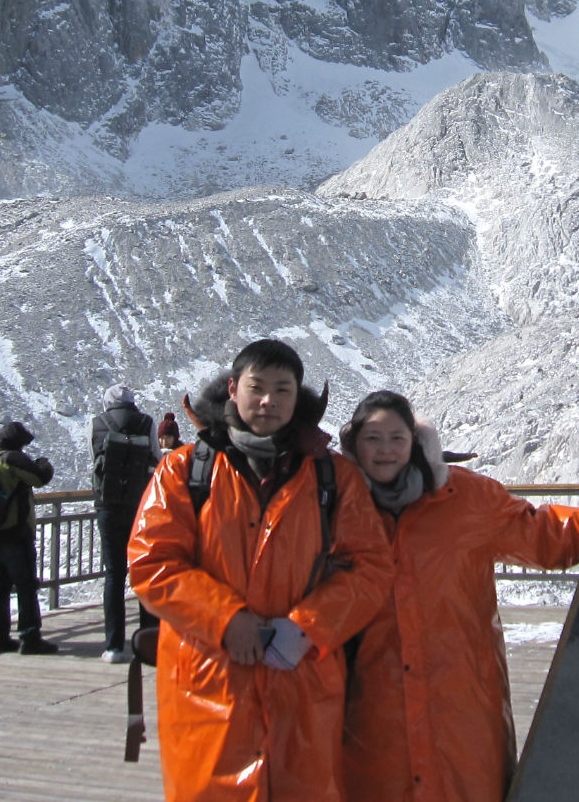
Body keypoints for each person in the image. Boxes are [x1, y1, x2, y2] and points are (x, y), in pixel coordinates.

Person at [339, 389, 579, 802]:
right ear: (353, 443)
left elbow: (545, 533)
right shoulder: (334, 507)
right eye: (373, 438)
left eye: (396, 437)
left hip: (462, 705)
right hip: (370, 711)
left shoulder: (468, 499)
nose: (385, 450)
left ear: (416, 441)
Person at [127, 338, 392, 802]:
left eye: (282, 390)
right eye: (257, 387)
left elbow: (370, 568)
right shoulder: (184, 471)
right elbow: (152, 561)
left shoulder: (333, 477)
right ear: (233, 389)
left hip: (302, 682)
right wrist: (225, 620)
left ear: (298, 397)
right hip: (208, 683)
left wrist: (309, 628)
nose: (269, 400)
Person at [89, 384, 162, 663]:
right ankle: (148, 641)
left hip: (107, 507)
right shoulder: (146, 422)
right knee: (143, 571)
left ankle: (113, 646)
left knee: (114, 574)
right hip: (140, 507)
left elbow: (94, 461)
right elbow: (156, 458)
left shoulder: (97, 424)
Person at [0, 420, 58, 655]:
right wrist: (43, 463)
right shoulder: (11, 459)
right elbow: (39, 477)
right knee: (25, 585)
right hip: (15, 531)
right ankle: (29, 636)